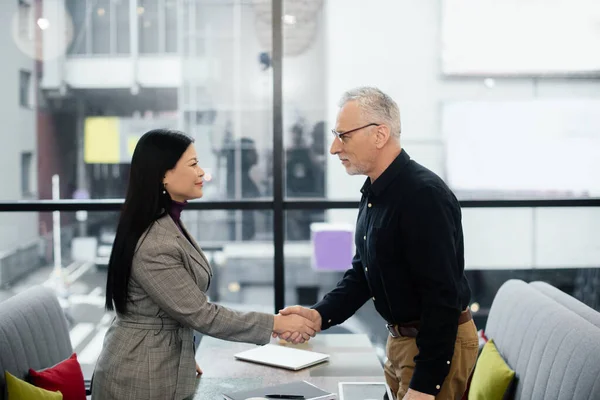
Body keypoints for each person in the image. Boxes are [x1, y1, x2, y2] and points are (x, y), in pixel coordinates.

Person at [275, 87, 478, 400]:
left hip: (433, 347)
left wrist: (426, 385)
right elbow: (364, 272)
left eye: (343, 136)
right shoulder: (375, 192)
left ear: (380, 134)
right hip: (401, 342)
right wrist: (319, 315)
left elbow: (442, 297)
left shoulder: (423, 196)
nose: (333, 148)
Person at [92, 129, 317, 400]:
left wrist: (181, 359)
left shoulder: (166, 222)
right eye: (193, 164)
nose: (201, 172)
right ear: (164, 174)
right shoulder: (155, 242)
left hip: (160, 364)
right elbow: (201, 314)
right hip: (140, 376)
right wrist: (276, 324)